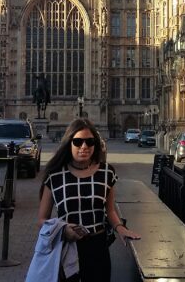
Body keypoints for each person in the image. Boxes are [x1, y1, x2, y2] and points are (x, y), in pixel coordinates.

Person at [37, 119, 140, 281]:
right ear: (69, 143)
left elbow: (110, 210)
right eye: (78, 142)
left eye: (90, 142)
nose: (84, 147)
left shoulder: (106, 172)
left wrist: (121, 228)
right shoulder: (54, 175)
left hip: (98, 247)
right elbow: (42, 219)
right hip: (67, 248)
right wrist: (63, 230)